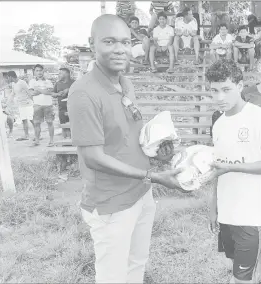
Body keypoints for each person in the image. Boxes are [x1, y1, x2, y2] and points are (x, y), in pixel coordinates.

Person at [67, 14, 184, 284]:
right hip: (111, 203)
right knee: (113, 277)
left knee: (136, 265)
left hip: (141, 193)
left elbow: (129, 135)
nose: (120, 49)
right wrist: (152, 176)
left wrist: (156, 154)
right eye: (109, 41)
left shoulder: (125, 83)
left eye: (125, 42)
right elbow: (93, 157)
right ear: (92, 44)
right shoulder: (83, 93)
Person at [206, 59, 261, 284]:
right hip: (228, 212)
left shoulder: (260, 118)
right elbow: (218, 166)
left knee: (242, 278)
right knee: (238, 271)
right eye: (214, 91)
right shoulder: (219, 123)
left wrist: (233, 167)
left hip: (252, 215)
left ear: (240, 86)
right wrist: (213, 207)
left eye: (226, 90)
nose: (219, 97)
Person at [29, 64, 55, 147]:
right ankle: (37, 140)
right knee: (36, 123)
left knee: (49, 122)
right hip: (37, 105)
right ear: (34, 72)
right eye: (37, 70)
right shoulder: (32, 82)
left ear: (43, 71)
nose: (39, 72)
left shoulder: (48, 81)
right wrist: (44, 91)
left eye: (40, 70)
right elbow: (31, 93)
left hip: (48, 105)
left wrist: (38, 89)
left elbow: (49, 92)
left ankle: (51, 141)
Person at [7, 71, 33, 141]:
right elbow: (13, 93)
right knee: (24, 120)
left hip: (28, 104)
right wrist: (7, 102)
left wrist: (34, 102)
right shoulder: (13, 84)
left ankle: (38, 134)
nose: (7, 79)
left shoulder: (22, 82)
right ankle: (26, 135)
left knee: (32, 119)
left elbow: (29, 92)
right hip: (21, 105)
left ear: (11, 77)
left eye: (8, 77)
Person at [52, 68, 74, 139]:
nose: (58, 75)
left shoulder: (74, 82)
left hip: (73, 108)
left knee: (73, 125)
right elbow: (52, 93)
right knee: (63, 125)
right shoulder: (57, 83)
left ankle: (73, 140)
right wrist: (58, 94)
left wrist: (68, 89)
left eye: (60, 73)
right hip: (62, 109)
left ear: (67, 74)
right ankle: (65, 140)